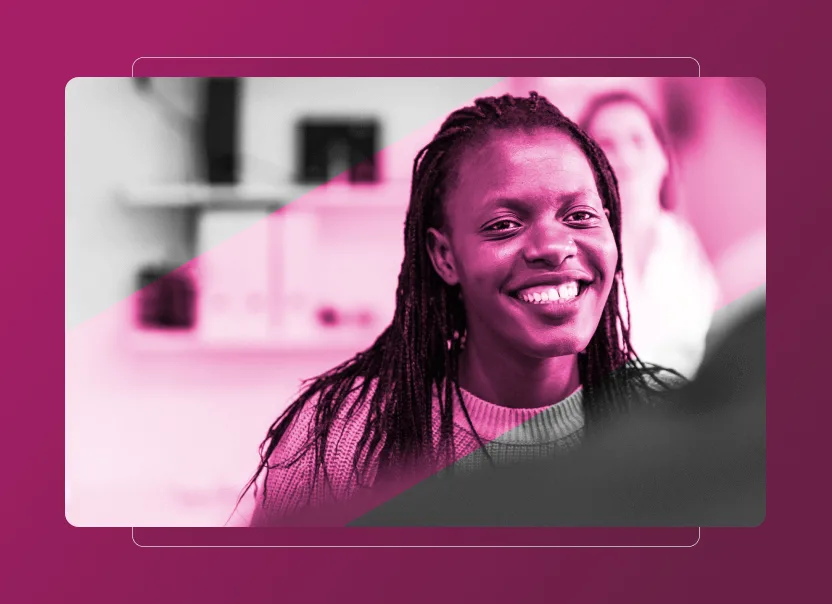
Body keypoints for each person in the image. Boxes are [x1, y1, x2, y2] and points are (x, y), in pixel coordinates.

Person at [239, 92, 683, 527]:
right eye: (504, 225)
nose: (553, 247)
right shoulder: (343, 439)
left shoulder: (674, 433)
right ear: (445, 256)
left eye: (580, 216)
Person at [579, 92, 719, 378]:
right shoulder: (576, 253)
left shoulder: (701, 245)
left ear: (664, 157)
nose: (625, 156)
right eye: (606, 144)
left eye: (638, 140)